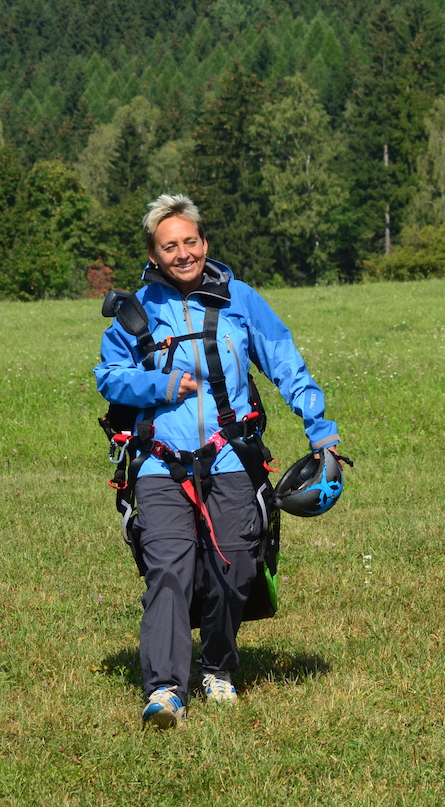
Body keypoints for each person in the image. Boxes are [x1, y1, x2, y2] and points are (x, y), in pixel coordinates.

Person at [96, 194, 341, 728]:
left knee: (235, 567)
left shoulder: (242, 300)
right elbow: (108, 376)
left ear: (204, 242)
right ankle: (164, 689)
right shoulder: (136, 312)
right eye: (170, 247)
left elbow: (286, 364)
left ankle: (218, 666)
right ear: (154, 255)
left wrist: (320, 430)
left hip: (232, 456)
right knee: (167, 570)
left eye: (190, 242)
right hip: (161, 464)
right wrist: (155, 384)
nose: (183, 253)